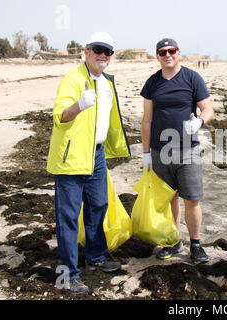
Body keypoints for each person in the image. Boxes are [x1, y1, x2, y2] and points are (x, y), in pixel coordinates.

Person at [47, 32, 131, 294]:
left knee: (98, 205)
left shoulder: (106, 82)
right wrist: (79, 105)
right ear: (86, 51)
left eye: (108, 51)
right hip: (71, 157)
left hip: (96, 155)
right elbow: (60, 116)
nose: (103, 55)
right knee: (68, 217)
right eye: (98, 49)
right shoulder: (73, 80)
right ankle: (69, 274)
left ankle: (96, 257)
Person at [140, 38, 214, 264]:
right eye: (162, 52)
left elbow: (208, 109)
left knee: (191, 199)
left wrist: (199, 122)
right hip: (160, 151)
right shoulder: (152, 83)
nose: (167, 55)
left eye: (171, 51)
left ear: (179, 53)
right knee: (168, 198)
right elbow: (146, 119)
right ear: (157, 57)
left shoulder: (192, 78)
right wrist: (145, 153)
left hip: (188, 150)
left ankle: (195, 244)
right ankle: (173, 241)